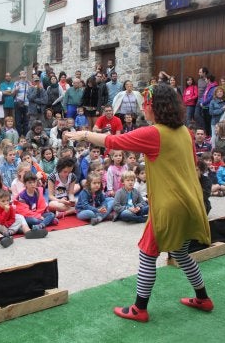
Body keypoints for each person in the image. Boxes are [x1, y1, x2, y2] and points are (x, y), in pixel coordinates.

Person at [66, 84, 213, 322]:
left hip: (169, 206)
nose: (143, 107)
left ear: (154, 107)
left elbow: (114, 141)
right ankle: (203, 298)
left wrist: (83, 134)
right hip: (191, 203)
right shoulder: (185, 131)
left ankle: (139, 309)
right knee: (181, 253)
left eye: (146, 103)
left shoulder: (154, 133)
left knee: (147, 254)